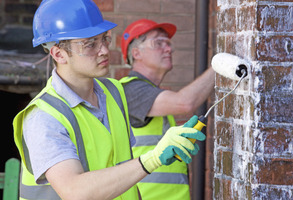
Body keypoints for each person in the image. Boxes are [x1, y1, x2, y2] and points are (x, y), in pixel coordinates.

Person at [12, 1, 206, 200]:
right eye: (90, 44)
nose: (104, 50)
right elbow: (74, 191)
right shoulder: (43, 116)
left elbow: (126, 177)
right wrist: (152, 158)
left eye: (104, 39)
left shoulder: (114, 93)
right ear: (59, 54)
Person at [119, 19, 215, 200]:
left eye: (168, 43)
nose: (169, 49)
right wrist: (218, 67)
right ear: (136, 53)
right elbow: (185, 103)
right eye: (158, 43)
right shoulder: (131, 90)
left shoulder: (148, 94)